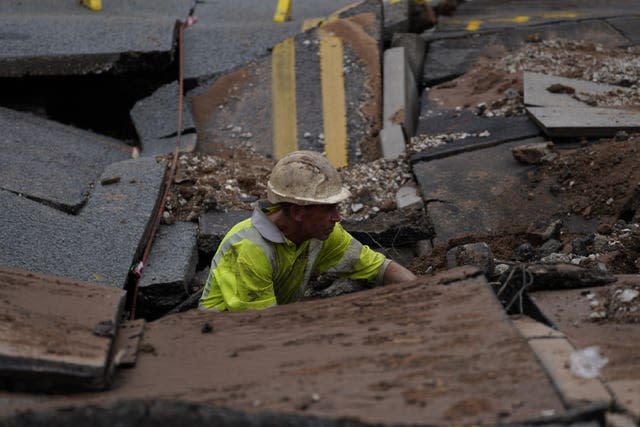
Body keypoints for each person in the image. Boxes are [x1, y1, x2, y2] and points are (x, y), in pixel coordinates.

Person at [199, 150, 417, 312]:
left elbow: (377, 267)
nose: (337, 217)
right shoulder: (249, 249)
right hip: (221, 346)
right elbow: (262, 328)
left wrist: (426, 293)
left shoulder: (320, 234)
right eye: (329, 208)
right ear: (297, 212)